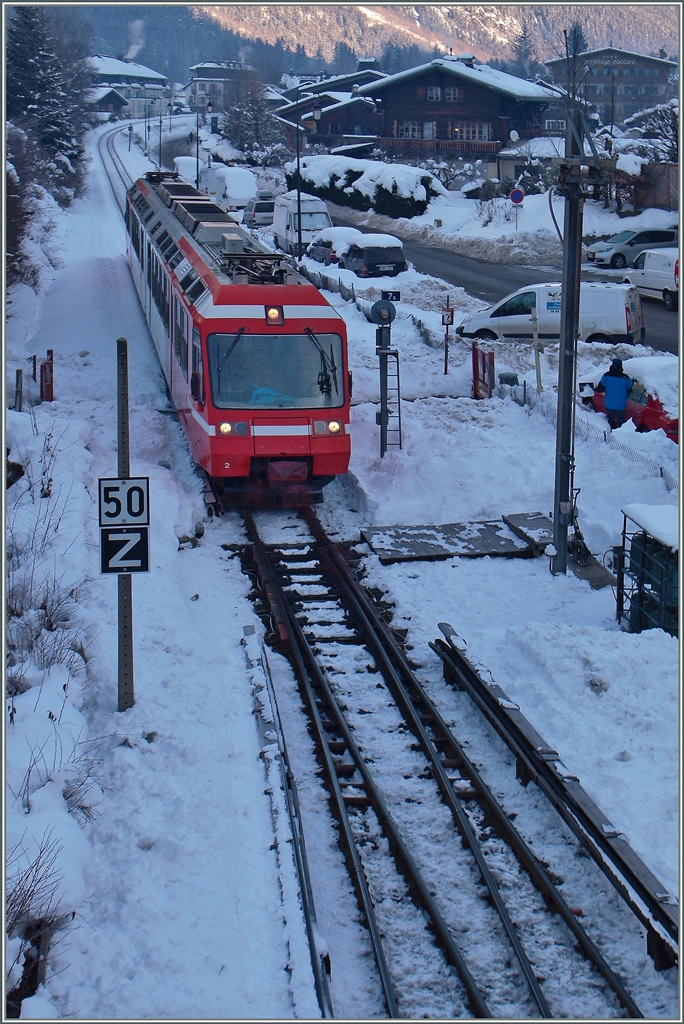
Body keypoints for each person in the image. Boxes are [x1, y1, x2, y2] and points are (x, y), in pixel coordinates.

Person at [595, 358, 633, 429]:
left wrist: (596, 389)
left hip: (609, 403)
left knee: (610, 419)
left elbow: (600, 388)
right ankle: (619, 435)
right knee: (620, 421)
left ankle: (610, 432)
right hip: (621, 404)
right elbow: (630, 389)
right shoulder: (626, 378)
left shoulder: (606, 376)